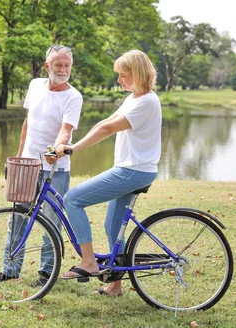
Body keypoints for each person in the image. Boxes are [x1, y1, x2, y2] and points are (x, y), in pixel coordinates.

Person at [54, 49, 161, 296]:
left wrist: (74, 148)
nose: (119, 80)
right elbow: (104, 123)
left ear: (137, 73)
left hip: (133, 171)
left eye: (123, 75)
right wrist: (69, 144)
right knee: (113, 226)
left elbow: (110, 129)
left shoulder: (146, 101)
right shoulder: (134, 98)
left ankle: (89, 262)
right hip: (131, 169)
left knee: (73, 199)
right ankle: (115, 285)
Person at [0, 44, 83, 287]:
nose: (63, 70)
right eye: (58, 65)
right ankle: (10, 270)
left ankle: (46, 274)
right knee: (17, 216)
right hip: (28, 166)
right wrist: (18, 158)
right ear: (47, 66)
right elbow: (27, 123)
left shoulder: (73, 96)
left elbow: (66, 131)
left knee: (52, 222)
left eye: (67, 65)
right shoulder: (35, 85)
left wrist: (54, 152)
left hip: (56, 169)